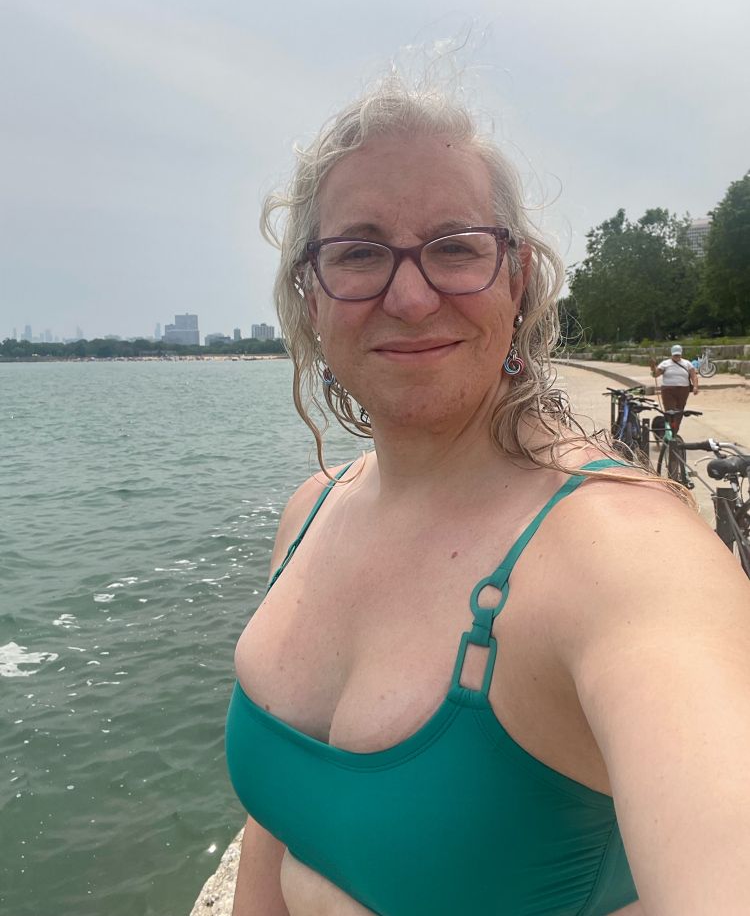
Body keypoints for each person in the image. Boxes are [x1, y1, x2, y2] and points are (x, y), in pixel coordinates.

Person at [225, 77, 750, 916]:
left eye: (455, 245)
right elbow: (278, 823)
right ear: (310, 295)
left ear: (518, 279)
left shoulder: (622, 556)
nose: (408, 295)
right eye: (358, 252)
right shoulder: (311, 511)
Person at [650, 344, 699, 430]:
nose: (676, 356)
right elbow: (655, 374)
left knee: (679, 411)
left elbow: (693, 375)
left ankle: (675, 431)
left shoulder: (687, 363)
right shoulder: (665, 363)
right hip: (668, 390)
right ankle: (669, 430)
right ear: (672, 354)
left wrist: (695, 386)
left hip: (683, 390)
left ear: (681, 354)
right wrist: (653, 367)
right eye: (675, 355)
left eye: (678, 355)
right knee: (670, 411)